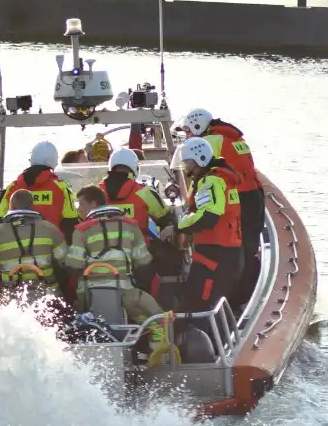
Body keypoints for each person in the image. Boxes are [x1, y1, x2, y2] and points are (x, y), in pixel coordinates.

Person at [65, 185, 179, 369]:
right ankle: (158, 354)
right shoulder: (131, 225)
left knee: (80, 318)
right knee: (151, 314)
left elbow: (74, 265)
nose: (78, 210)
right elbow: (143, 261)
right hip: (125, 290)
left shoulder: (81, 230)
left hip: (89, 294)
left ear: (93, 204)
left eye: (81, 204)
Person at [174, 107, 264, 312]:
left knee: (243, 251)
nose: (187, 136)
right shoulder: (228, 136)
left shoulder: (210, 149)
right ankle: (246, 296)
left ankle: (238, 300)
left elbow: (208, 212)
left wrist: (181, 223)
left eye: (188, 131)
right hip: (252, 194)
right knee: (248, 249)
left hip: (239, 203)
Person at [159, 137, 244, 317]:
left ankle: (199, 337)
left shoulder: (211, 182)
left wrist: (176, 227)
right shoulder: (220, 178)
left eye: (188, 162)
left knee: (198, 303)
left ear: (200, 159)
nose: (186, 166)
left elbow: (208, 216)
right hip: (225, 253)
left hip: (216, 255)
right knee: (210, 300)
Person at [0, 189, 74, 326]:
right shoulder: (49, 229)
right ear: (31, 206)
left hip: (12, 297)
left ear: (12, 207)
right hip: (47, 294)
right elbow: (66, 261)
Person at [100, 148, 178, 297]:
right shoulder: (144, 192)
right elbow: (165, 217)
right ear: (135, 168)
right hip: (139, 258)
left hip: (102, 257)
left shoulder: (97, 192)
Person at [0, 141, 80, 239]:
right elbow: (70, 223)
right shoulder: (61, 187)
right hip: (51, 248)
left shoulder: (12, 187)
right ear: (54, 162)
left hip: (15, 249)